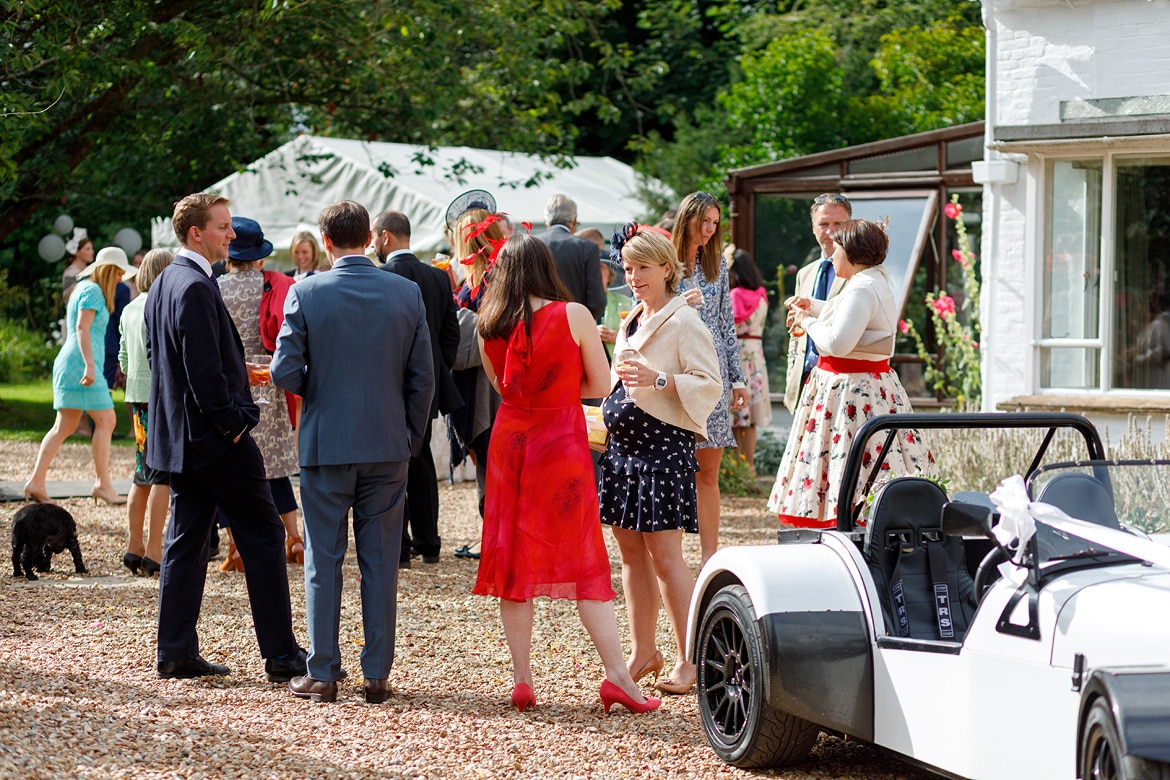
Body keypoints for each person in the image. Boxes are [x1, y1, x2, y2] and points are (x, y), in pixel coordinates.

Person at [472, 232, 660, 715]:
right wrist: (558, 388)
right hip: (560, 440)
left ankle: (522, 681)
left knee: (513, 559)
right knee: (583, 556)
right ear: (544, 267)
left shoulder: (486, 323)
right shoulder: (573, 314)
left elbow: (502, 387)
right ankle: (618, 676)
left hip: (511, 440)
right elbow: (600, 383)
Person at [273, 200, 434, 704]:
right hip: (388, 443)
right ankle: (377, 675)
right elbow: (422, 377)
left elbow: (283, 371)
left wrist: (315, 388)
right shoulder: (406, 292)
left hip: (326, 442)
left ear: (324, 242)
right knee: (381, 561)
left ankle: (322, 672)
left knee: (325, 559)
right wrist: (410, 434)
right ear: (370, 236)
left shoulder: (306, 291)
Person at [145, 193, 305, 682]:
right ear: (197, 233)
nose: (231, 235)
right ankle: (281, 655)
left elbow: (159, 359)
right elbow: (203, 372)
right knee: (262, 534)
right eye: (223, 227)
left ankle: (175, 651)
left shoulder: (165, 281)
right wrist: (235, 425)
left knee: (187, 541)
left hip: (185, 440)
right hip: (215, 441)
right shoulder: (191, 284)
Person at [600, 226, 722, 697]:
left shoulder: (686, 322)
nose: (632, 277)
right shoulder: (632, 317)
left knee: (668, 559)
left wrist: (658, 381)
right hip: (623, 453)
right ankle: (643, 650)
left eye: (642, 268)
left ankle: (691, 660)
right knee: (630, 556)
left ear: (667, 268)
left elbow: (708, 383)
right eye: (628, 269)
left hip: (661, 452)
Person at [767, 219, 936, 527]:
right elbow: (851, 317)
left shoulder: (862, 287)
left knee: (849, 461)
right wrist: (815, 307)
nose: (832, 257)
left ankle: (846, 526)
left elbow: (838, 343)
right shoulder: (871, 280)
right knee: (864, 461)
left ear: (854, 252)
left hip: (852, 392)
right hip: (863, 386)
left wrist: (805, 321)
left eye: (838, 249)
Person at [375, 209, 461, 567]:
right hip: (429, 388)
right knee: (421, 456)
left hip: (389, 386)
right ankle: (430, 542)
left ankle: (400, 546)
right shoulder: (437, 278)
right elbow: (451, 335)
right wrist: (438, 372)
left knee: (393, 463)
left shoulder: (380, 278)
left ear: (384, 237)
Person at [217, 217, 304, 566]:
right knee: (276, 468)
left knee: (229, 470)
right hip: (268, 378)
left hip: (233, 382)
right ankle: (295, 539)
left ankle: (236, 546)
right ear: (259, 256)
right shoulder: (274, 286)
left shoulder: (215, 287)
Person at [672, 191, 750, 566]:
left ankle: (708, 557)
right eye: (704, 221)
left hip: (713, 374)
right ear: (686, 218)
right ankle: (668, 554)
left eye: (715, 223)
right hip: (671, 372)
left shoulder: (716, 262)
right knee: (669, 465)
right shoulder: (663, 261)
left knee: (708, 470)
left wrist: (738, 378)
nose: (708, 229)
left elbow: (725, 324)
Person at [25, 247, 135, 506]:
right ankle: (102, 484)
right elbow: (82, 328)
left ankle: (36, 482)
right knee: (106, 419)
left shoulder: (85, 289)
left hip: (77, 362)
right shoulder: (93, 291)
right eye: (118, 273)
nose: (120, 279)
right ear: (109, 271)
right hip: (80, 364)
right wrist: (89, 366)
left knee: (65, 425)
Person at [446, 201, 506, 560]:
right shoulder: (480, 276)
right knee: (489, 465)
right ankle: (494, 539)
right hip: (477, 382)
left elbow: (488, 330)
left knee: (495, 463)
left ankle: (500, 542)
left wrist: (452, 320)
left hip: (489, 385)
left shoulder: (494, 278)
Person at [118, 248, 174, 576]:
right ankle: (154, 550)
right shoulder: (161, 306)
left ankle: (133, 545)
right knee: (162, 476)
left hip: (137, 399)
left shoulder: (128, 309)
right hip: (160, 398)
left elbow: (123, 360)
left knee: (141, 475)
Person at [784, 193, 851, 411]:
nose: (830, 231)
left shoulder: (858, 272)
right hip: (805, 382)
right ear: (813, 227)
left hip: (841, 381)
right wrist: (793, 376)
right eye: (823, 224)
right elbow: (796, 330)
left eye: (838, 224)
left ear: (849, 226)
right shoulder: (805, 273)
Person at [728, 247, 773, 474]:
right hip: (757, 353)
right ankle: (751, 465)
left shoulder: (736, 295)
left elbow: (730, 325)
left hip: (738, 351)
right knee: (751, 417)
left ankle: (738, 466)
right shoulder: (762, 295)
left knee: (736, 414)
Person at [534, 194, 606, 322]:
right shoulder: (587, 248)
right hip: (574, 327)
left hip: (536, 326)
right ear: (574, 221)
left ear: (546, 220)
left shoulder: (531, 244)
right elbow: (597, 302)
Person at [61, 228, 93, 304]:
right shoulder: (70, 273)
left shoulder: (89, 270)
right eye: (88, 249)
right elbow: (70, 297)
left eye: (92, 249)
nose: (92, 252)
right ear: (77, 252)